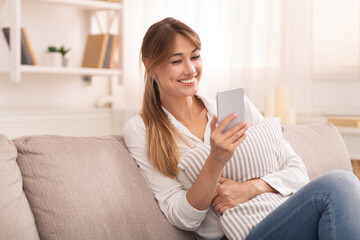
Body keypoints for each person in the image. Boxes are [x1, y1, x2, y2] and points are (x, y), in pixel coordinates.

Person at [123, 17, 360, 240]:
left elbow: (298, 173)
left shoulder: (234, 107)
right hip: (237, 232)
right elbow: (183, 218)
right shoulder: (141, 129)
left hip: (279, 217)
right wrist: (215, 160)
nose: (190, 70)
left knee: (342, 186)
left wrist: (252, 188)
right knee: (339, 184)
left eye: (195, 57)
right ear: (150, 66)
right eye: (176, 61)